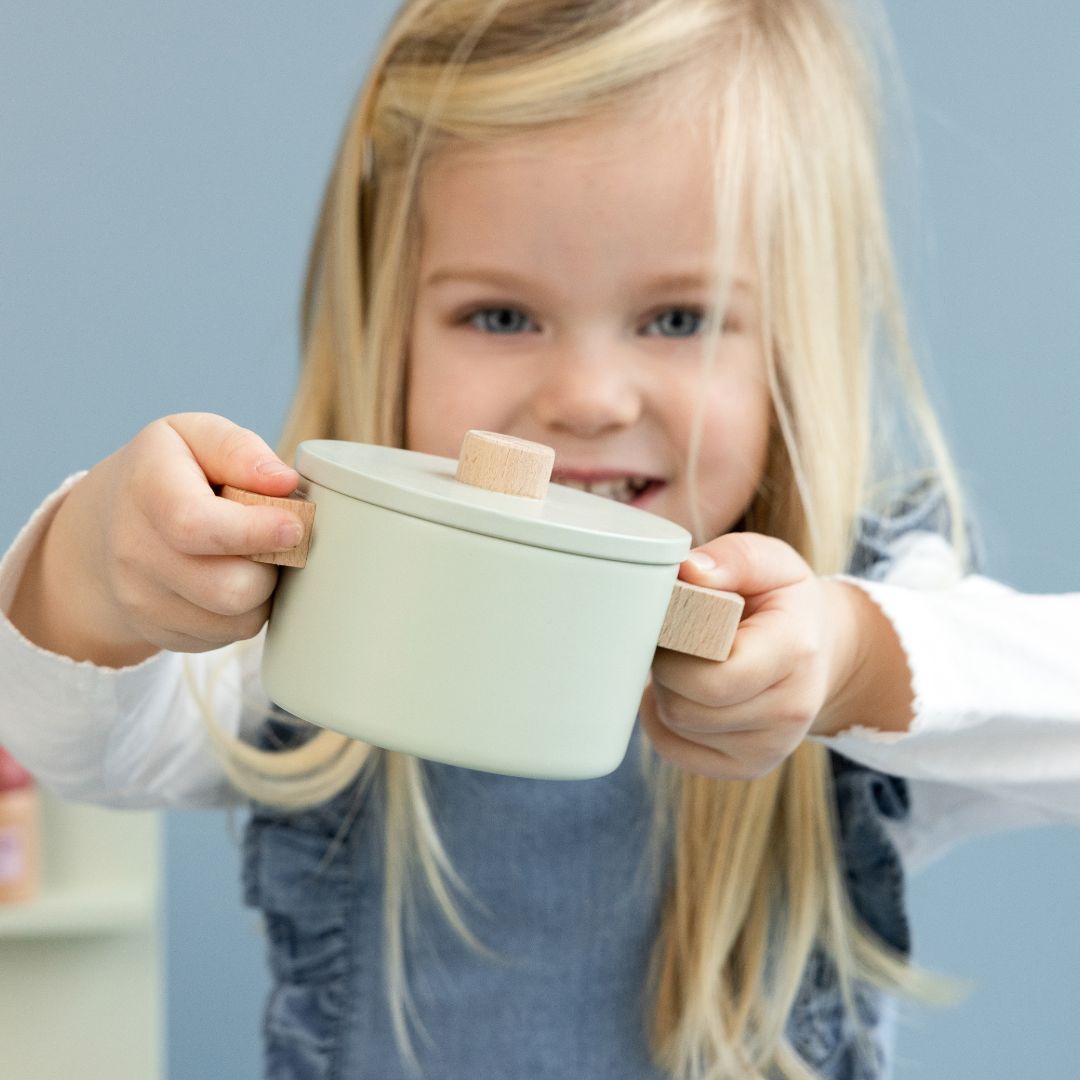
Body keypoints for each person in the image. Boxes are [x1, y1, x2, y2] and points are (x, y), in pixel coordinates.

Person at [0, 1, 1078, 1077]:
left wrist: (852, 663)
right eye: (502, 317)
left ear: (791, 340)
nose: (587, 399)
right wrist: (94, 567)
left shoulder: (848, 637)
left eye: (678, 319)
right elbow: (81, 745)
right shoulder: (326, 614)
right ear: (395, 329)